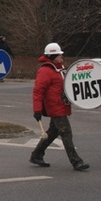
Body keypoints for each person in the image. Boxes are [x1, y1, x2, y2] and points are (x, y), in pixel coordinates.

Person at [29, 43, 90, 171]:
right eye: (59, 55)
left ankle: (36, 155)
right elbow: (38, 91)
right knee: (66, 133)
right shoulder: (45, 71)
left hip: (61, 105)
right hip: (55, 108)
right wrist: (37, 110)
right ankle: (76, 162)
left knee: (52, 132)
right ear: (53, 56)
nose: (62, 57)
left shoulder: (59, 68)